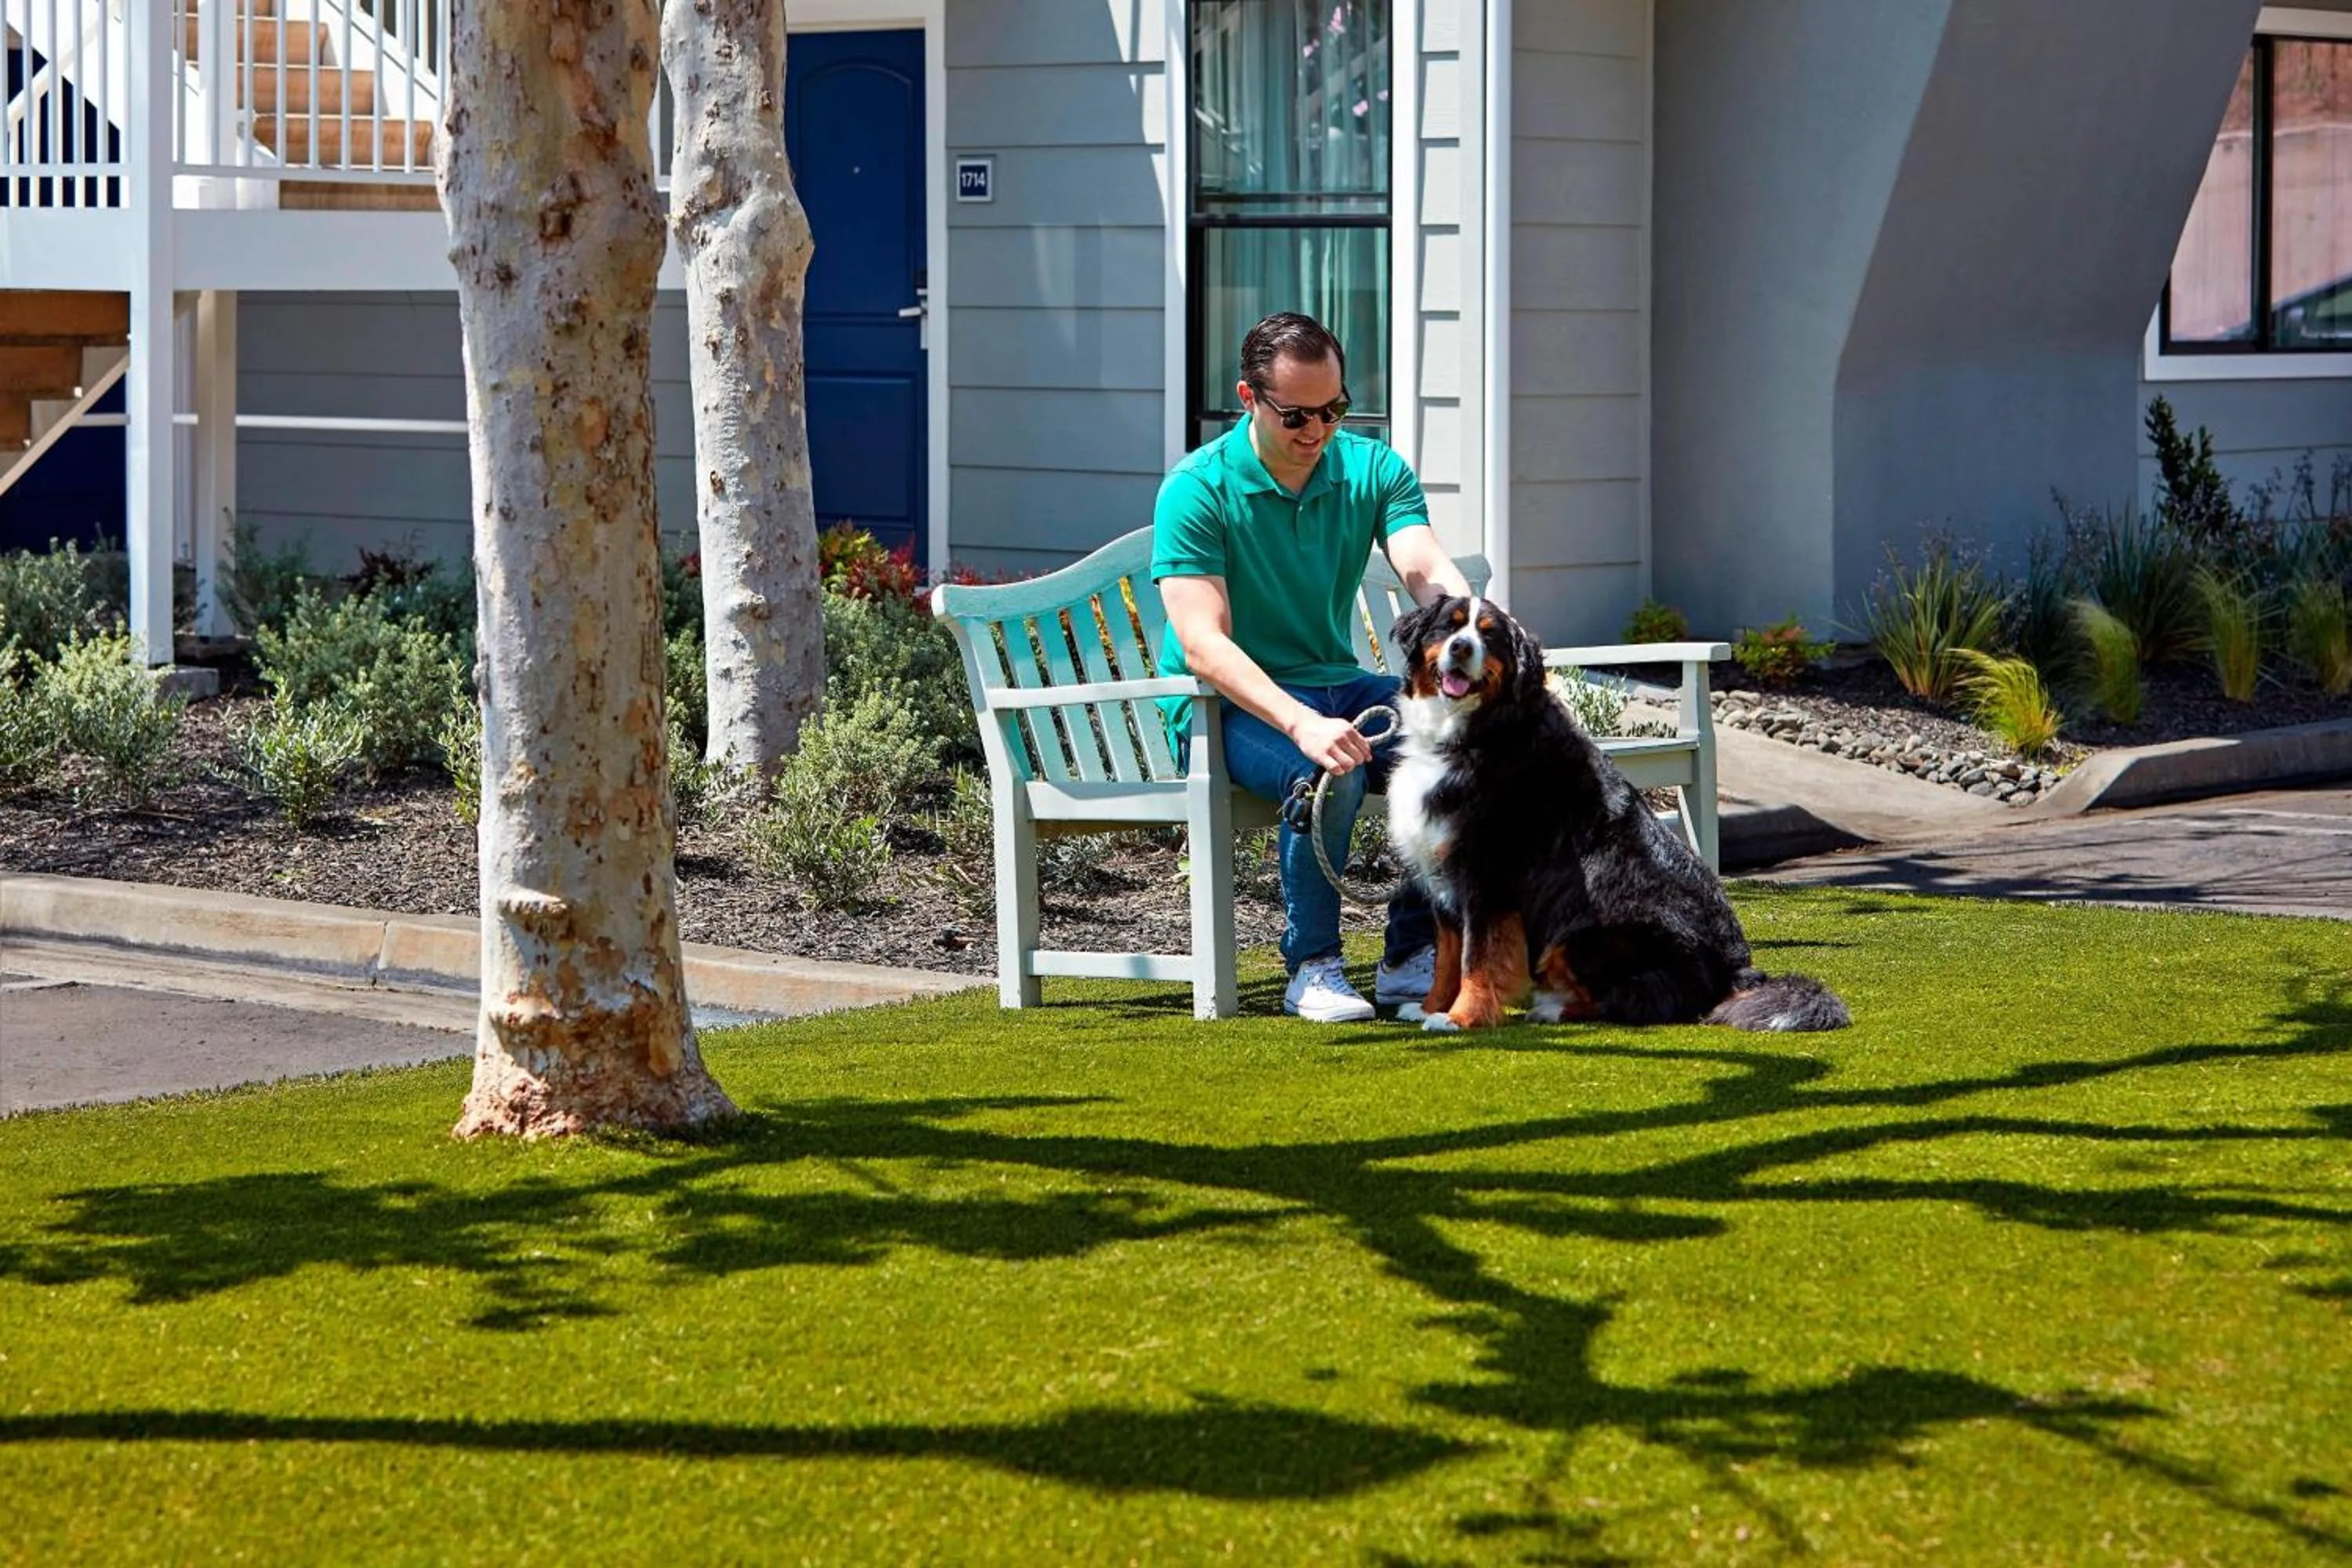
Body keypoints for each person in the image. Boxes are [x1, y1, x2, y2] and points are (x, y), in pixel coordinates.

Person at [1152, 311, 1475, 1022]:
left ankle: (1409, 958)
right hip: (1225, 708)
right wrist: (1302, 723)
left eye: (1333, 410)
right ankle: (1314, 967)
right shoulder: (1196, 489)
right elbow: (1204, 644)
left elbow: (1422, 565)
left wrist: (1472, 628)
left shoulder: (1372, 468)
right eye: (1296, 414)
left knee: (1454, 757)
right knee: (1331, 771)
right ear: (1248, 399)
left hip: (1336, 682)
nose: (1317, 431)